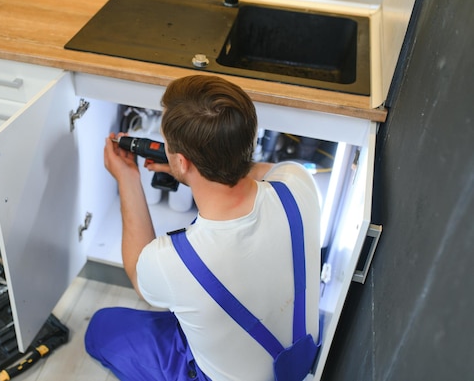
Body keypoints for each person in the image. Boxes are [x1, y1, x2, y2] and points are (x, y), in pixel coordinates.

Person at [85, 75, 321, 381]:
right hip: (297, 363)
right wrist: (198, 165)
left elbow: (138, 272)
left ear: (181, 162)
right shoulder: (298, 182)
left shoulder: (174, 261)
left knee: (101, 329)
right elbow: (253, 169)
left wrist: (128, 178)